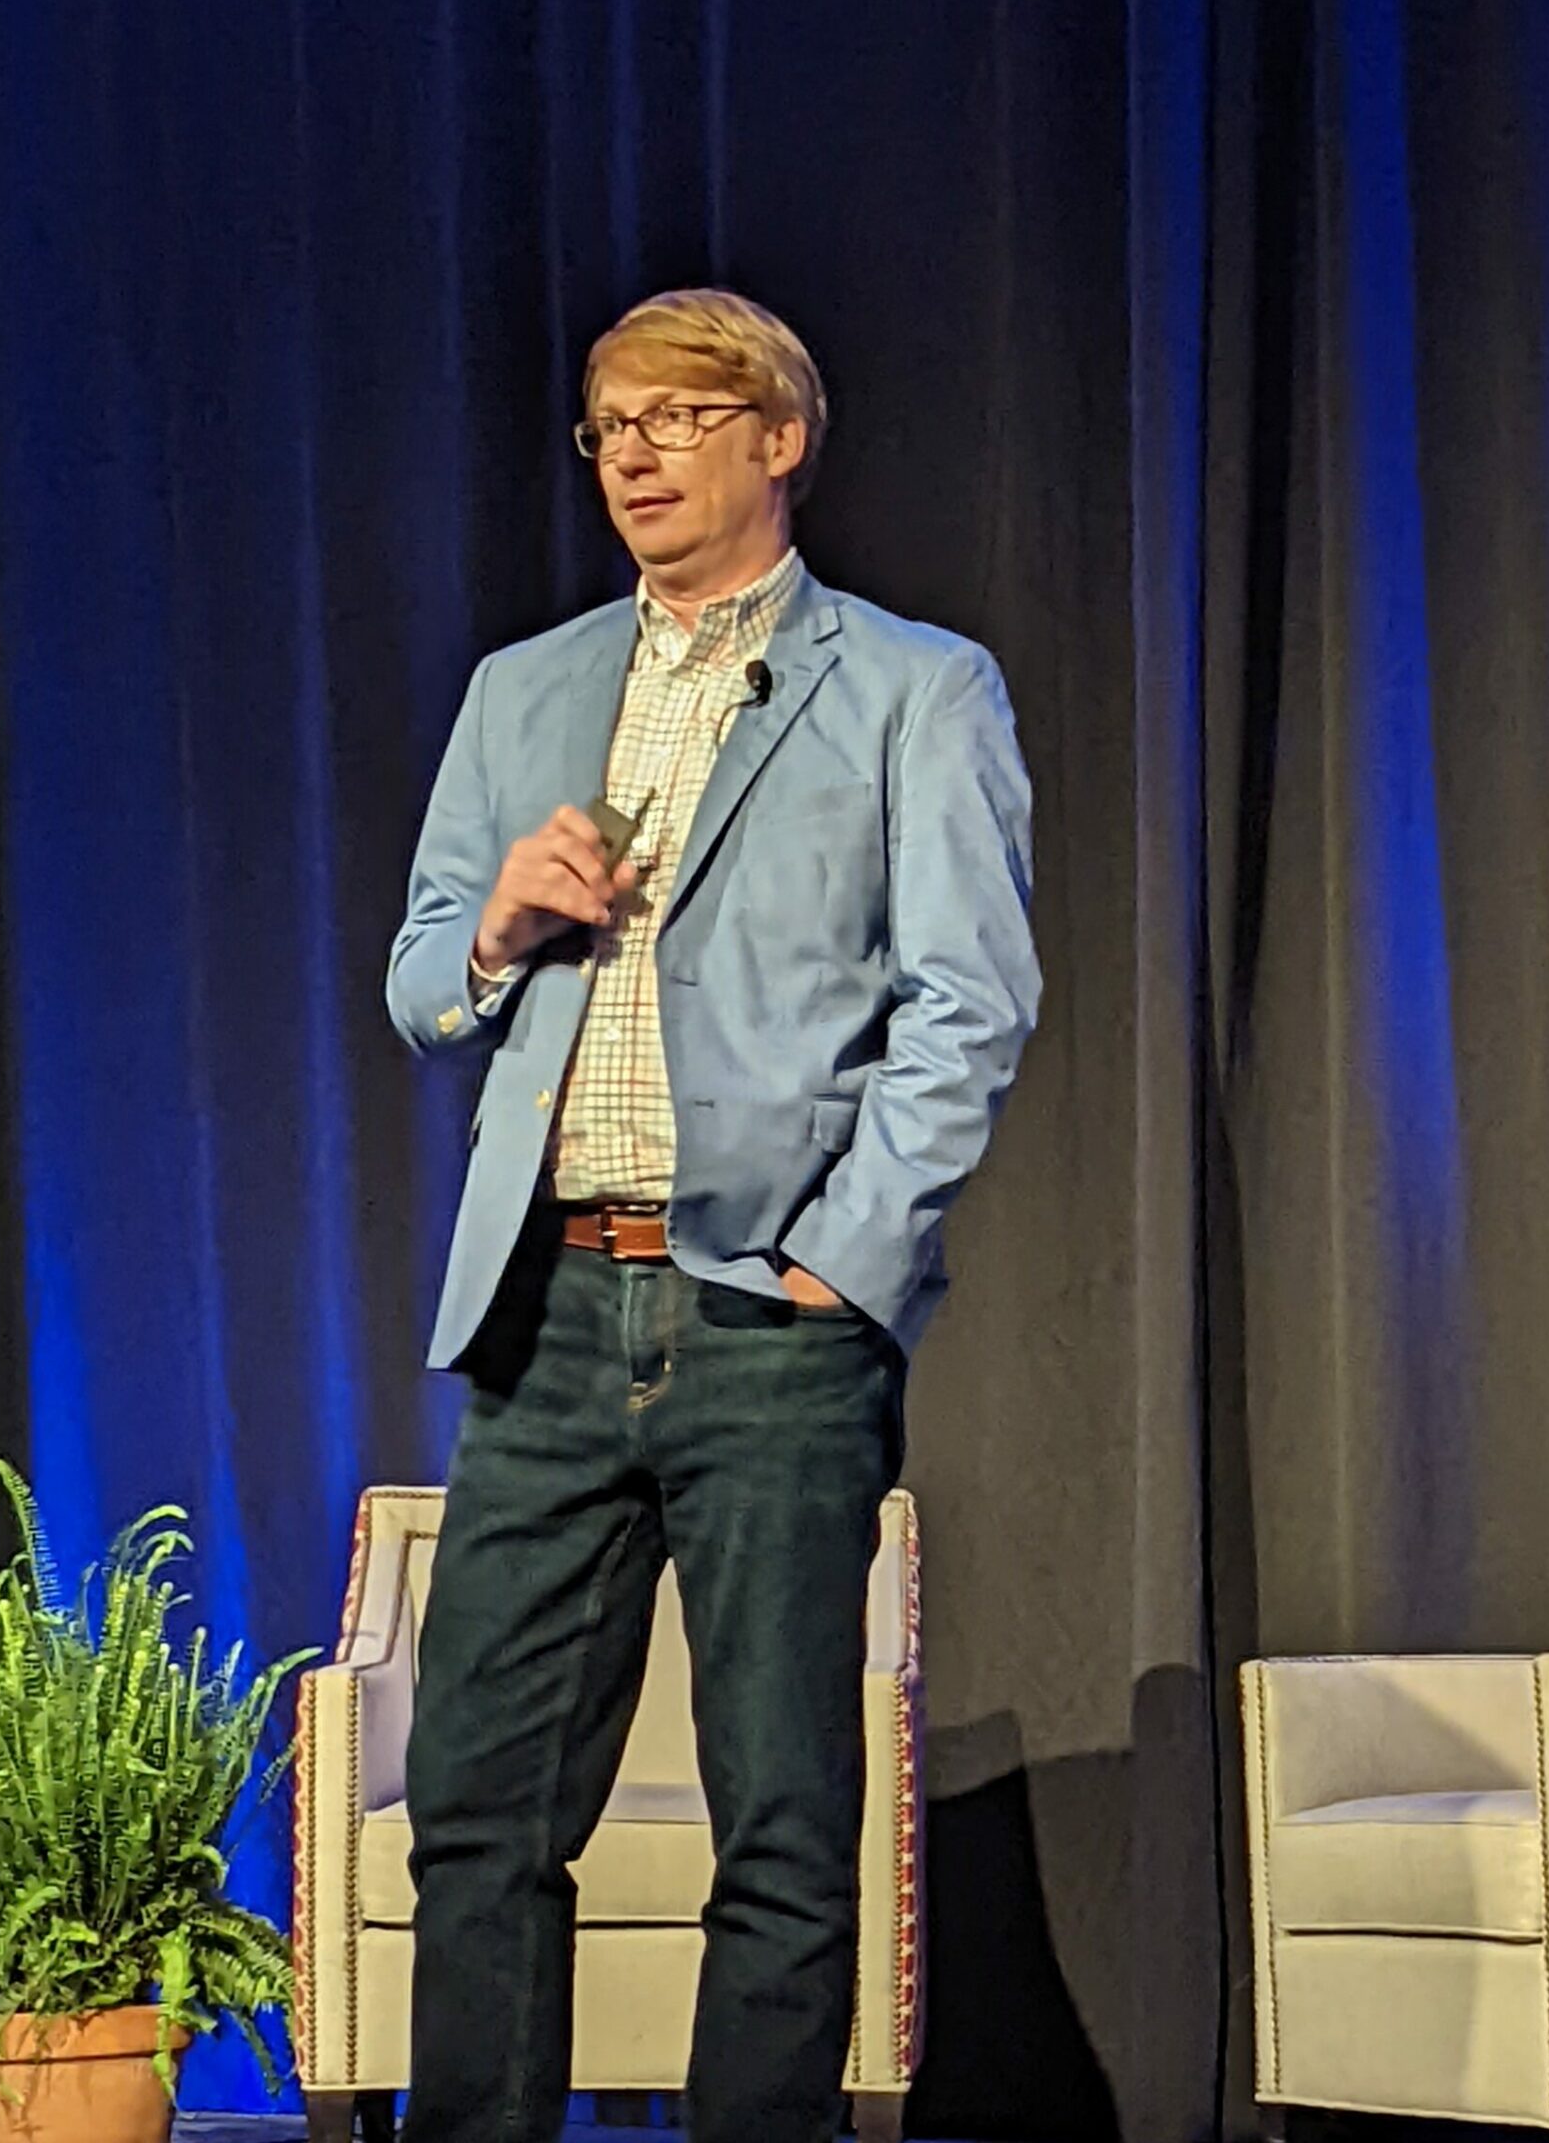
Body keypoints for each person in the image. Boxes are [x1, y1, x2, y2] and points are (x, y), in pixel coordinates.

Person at [387, 288, 1040, 2143]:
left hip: (767, 1314)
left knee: (778, 1821)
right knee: (482, 1807)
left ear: (780, 438)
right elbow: (421, 976)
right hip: (546, 1316)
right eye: (609, 427)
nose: (640, 454)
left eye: (683, 415)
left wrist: (849, 1255)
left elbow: (969, 1002)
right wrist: (502, 927)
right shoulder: (524, 690)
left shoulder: (916, 687)